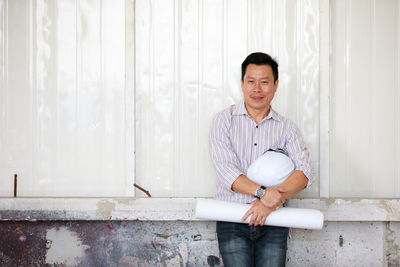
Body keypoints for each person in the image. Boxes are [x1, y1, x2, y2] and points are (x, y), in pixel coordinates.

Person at [209, 52, 313, 267]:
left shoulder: (286, 128)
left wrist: (269, 203)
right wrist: (264, 194)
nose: (257, 89)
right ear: (242, 83)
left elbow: (304, 173)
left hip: (274, 219)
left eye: (264, 82)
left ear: (275, 85)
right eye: (251, 81)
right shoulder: (223, 120)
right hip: (232, 218)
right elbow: (226, 170)